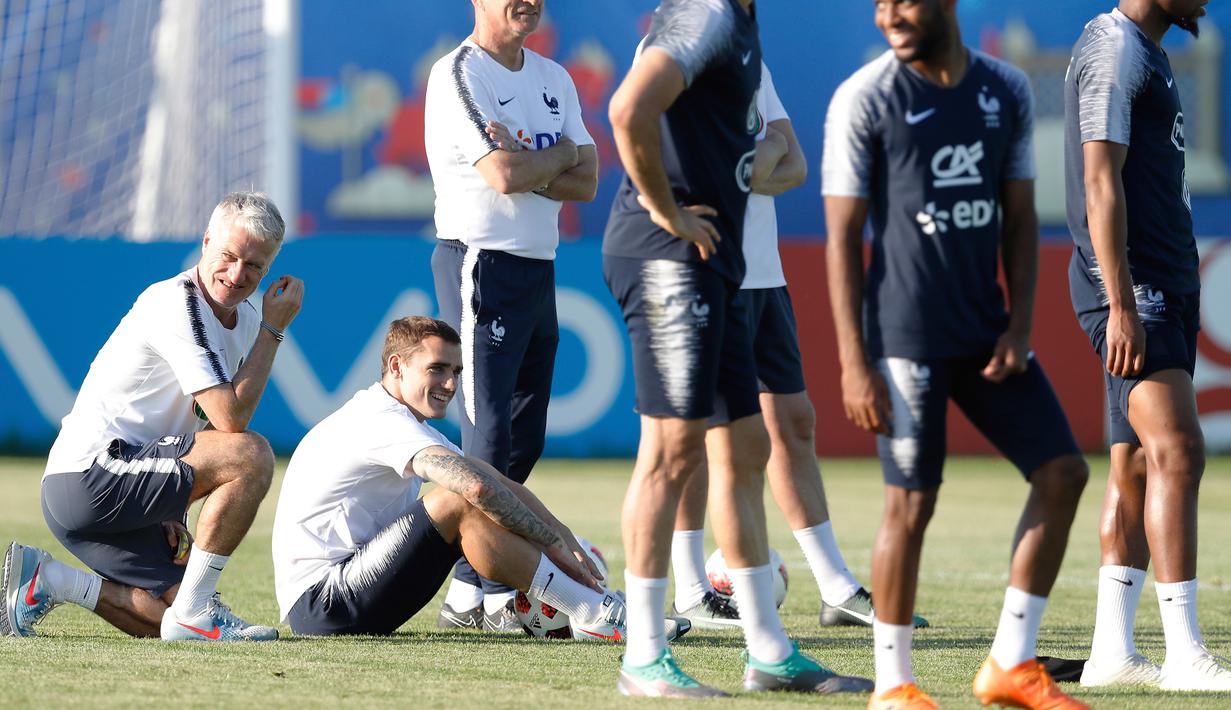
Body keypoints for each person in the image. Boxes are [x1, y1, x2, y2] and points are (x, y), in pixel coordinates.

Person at [822, 1, 1090, 708]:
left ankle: (1010, 663)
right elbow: (842, 242)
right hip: (904, 335)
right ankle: (892, 685)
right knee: (910, 504)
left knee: (1061, 473)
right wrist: (854, 363)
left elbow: (1020, 216)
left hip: (985, 333)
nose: (888, 16)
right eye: (877, 5)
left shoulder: (1004, 88)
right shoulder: (864, 97)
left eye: (903, 0)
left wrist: (1019, 327)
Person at [603, 0, 872, 698]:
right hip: (666, 257)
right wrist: (666, 211)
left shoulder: (738, 23)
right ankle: (643, 656)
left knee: (745, 448)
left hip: (713, 259)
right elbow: (628, 108)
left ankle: (769, 654)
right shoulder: (707, 11)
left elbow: (778, 155)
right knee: (669, 452)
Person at [668, 60, 928, 633]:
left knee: (795, 421)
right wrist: (755, 163)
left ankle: (835, 588)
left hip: (765, 275)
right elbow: (689, 165)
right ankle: (689, 589)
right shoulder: (672, 51)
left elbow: (794, 159)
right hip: (706, 270)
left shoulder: (752, 61)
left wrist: (742, 168)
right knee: (699, 432)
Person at [2, 192, 302, 641]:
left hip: (104, 486)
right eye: (229, 256)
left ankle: (50, 580)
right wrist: (274, 330)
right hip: (91, 475)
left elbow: (195, 428)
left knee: (165, 619)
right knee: (252, 454)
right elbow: (229, 421)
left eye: (255, 265)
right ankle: (198, 608)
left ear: (271, 265)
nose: (238, 274)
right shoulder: (177, 303)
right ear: (205, 243)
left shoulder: (239, 320)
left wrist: (170, 511)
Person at [272, 317, 678, 641]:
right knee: (456, 499)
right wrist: (550, 543)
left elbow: (495, 480)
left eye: (456, 370)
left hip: (342, 594)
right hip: (323, 604)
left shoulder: (406, 423)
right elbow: (474, 489)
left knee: (468, 488)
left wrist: (562, 535)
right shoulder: (379, 421)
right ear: (396, 366)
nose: (450, 384)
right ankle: (591, 613)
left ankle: (594, 603)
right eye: (437, 369)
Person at [1065, 0, 1231, 692]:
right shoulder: (1116, 47)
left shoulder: (1146, 49)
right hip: (1133, 287)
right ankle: (1185, 654)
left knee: (1134, 465)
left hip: (1158, 283)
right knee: (1178, 451)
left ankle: (1110, 652)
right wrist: (1123, 302)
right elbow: (1098, 179)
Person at [424, 0, 598, 632]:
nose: (528, 2)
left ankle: (479, 585)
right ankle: (482, 591)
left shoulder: (553, 76)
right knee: (488, 428)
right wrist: (552, 158)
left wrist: (536, 159)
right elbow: (500, 172)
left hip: (537, 264)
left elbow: (590, 179)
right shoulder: (459, 73)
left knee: (525, 431)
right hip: (480, 262)